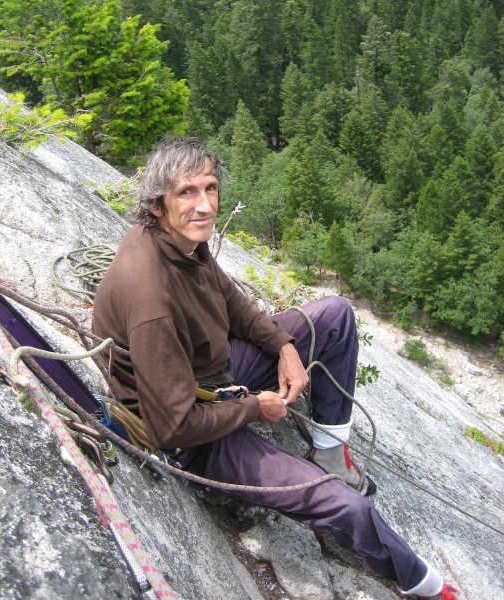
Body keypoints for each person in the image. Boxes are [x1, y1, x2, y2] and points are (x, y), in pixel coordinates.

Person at [93, 137, 459, 600]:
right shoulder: (152, 298)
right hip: (196, 432)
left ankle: (330, 452)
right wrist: (253, 409)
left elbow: (230, 301)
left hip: (214, 376)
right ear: (158, 204)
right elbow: (172, 426)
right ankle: (423, 584)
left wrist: (284, 345)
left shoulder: (181, 241)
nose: (204, 205)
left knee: (335, 315)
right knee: (344, 505)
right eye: (187, 192)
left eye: (210, 187)